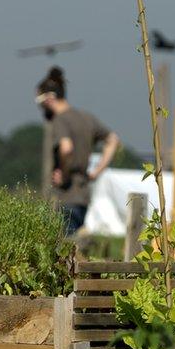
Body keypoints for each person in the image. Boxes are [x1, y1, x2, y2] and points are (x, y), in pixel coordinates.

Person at [36, 66, 121, 236]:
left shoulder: (60, 120)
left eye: (39, 101)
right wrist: (96, 172)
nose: (40, 107)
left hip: (66, 197)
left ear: (50, 99)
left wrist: (65, 175)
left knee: (63, 252)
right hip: (83, 196)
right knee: (75, 248)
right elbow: (113, 140)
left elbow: (66, 149)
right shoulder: (86, 118)